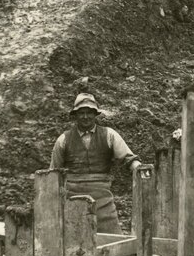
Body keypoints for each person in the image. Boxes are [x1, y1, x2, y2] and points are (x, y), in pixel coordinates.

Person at [49, 92, 140, 233]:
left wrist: (138, 167)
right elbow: (53, 173)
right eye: (81, 113)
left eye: (89, 112)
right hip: (73, 198)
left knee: (113, 241)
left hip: (102, 198)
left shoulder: (109, 135)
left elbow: (127, 158)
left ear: (95, 114)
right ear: (75, 115)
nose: (85, 116)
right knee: (74, 241)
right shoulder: (63, 139)